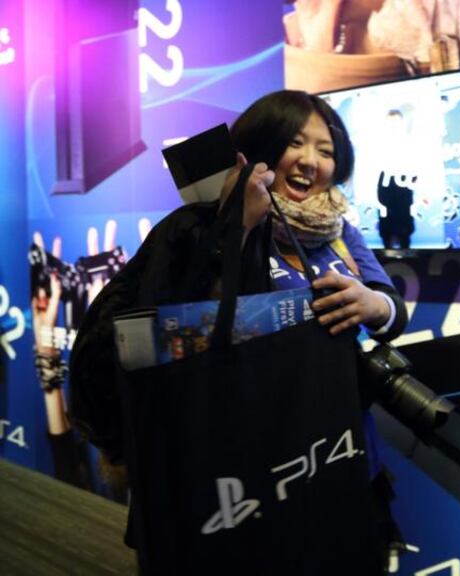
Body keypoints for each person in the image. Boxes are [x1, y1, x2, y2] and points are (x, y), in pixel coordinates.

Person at [68, 90, 408, 565]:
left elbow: (393, 309)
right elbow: (153, 339)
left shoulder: (340, 232)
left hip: (337, 457)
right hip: (233, 481)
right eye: (295, 143)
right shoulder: (194, 228)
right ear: (261, 148)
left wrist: (374, 306)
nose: (311, 161)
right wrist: (235, 230)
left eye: (326, 150)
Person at [376, 109, 417, 249]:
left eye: (396, 123)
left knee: (405, 234)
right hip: (385, 196)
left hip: (404, 195)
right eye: (390, 124)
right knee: (386, 234)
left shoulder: (410, 146)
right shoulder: (378, 147)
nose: (393, 127)